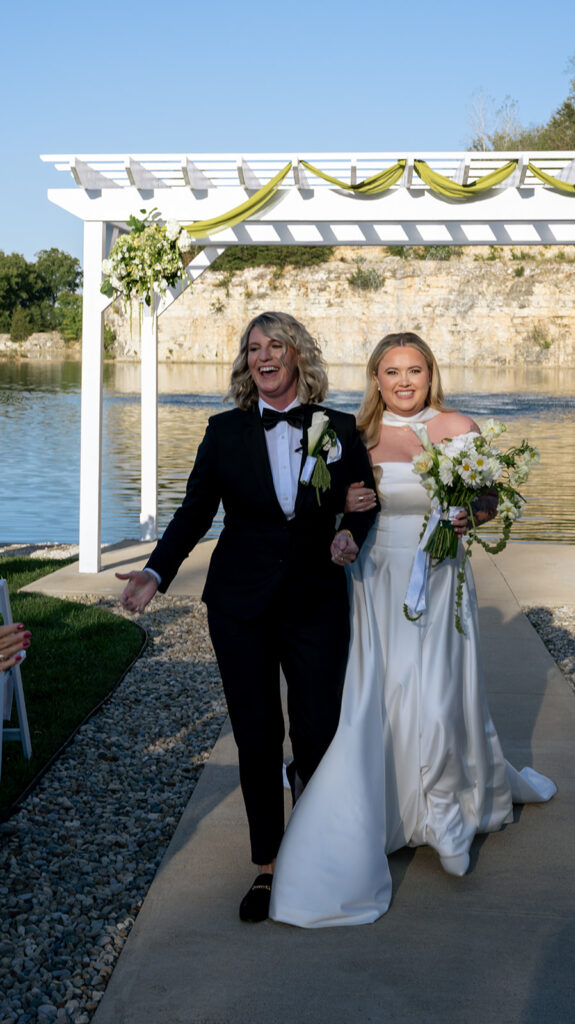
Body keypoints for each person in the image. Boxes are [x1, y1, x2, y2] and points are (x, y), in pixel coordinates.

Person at [270, 332, 556, 927]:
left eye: (415, 370)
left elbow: (487, 503)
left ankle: (447, 815)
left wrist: (468, 513)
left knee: (439, 694)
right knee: (386, 694)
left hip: (442, 576)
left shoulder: (458, 427)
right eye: (392, 371)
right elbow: (323, 508)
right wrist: (343, 514)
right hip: (376, 580)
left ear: (431, 374)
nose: (404, 381)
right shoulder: (352, 434)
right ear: (375, 377)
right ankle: (387, 809)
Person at [117, 312, 378, 923]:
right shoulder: (223, 432)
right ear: (246, 362)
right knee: (256, 733)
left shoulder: (337, 428)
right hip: (239, 605)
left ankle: (315, 844)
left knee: (317, 728)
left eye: (276, 347)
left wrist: (350, 536)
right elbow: (194, 513)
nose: (264, 357)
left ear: (298, 358)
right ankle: (268, 863)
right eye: (254, 348)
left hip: (316, 600)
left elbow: (363, 500)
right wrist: (156, 573)